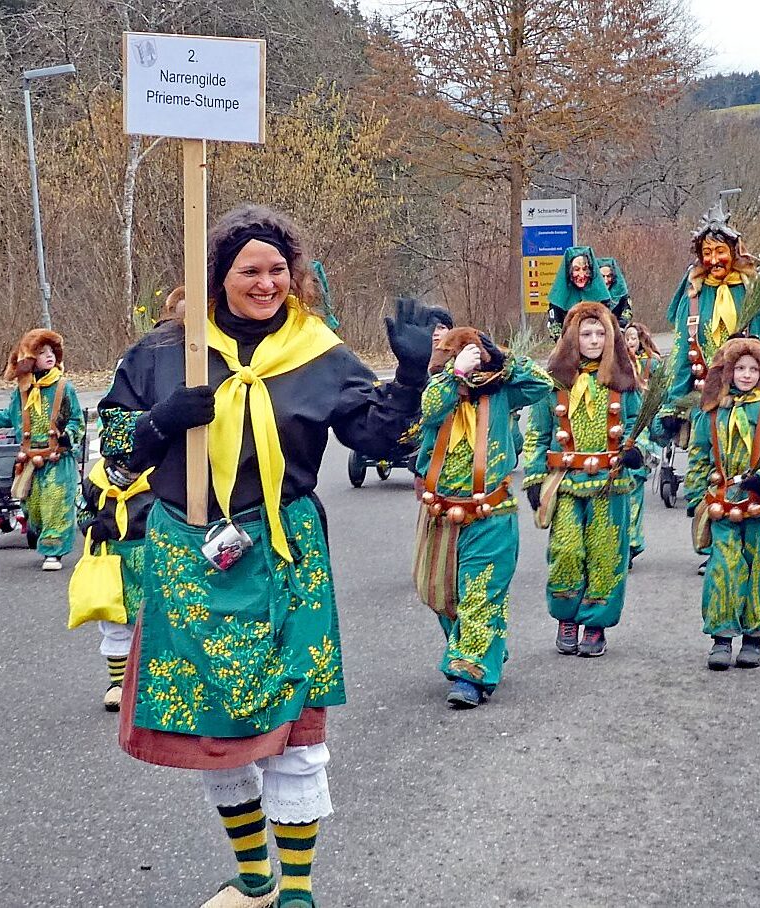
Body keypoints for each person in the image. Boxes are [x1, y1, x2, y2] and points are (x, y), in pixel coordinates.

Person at [98, 204, 435, 908]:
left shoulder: (318, 352)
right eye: (249, 270)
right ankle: (255, 878)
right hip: (187, 555)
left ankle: (298, 891)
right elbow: (115, 451)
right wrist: (159, 422)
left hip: (285, 553)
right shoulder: (166, 352)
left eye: (278, 269)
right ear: (219, 277)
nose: (266, 283)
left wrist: (409, 379)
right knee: (213, 728)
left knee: (297, 730)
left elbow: (377, 441)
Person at [413, 327, 552, 707]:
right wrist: (455, 374)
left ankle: (471, 674)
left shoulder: (502, 394)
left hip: (491, 515)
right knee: (443, 596)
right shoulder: (441, 392)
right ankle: (483, 646)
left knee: (480, 593)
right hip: (441, 516)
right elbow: (429, 409)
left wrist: (505, 361)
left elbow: (541, 384)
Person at [523, 303, 642, 658]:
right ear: (571, 338)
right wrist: (534, 475)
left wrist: (637, 451)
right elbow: (537, 433)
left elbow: (639, 426)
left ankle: (595, 624)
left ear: (611, 337)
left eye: (600, 333)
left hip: (610, 483)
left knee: (605, 554)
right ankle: (567, 617)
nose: (593, 340)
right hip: (566, 483)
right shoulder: (554, 383)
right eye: (586, 334)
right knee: (566, 551)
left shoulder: (623, 380)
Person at [685, 338, 760, 670]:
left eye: (753, 369)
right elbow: (699, 456)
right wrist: (696, 497)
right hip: (722, 508)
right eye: (740, 368)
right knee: (722, 571)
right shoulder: (712, 414)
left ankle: (754, 639)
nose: (747, 375)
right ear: (727, 372)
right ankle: (721, 638)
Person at [657, 203, 760, 442]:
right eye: (707, 253)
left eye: (720, 251)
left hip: (754, 402)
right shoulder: (693, 296)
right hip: (706, 406)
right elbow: (681, 353)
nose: (714, 260)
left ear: (734, 251)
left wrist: (754, 346)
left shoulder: (757, 290)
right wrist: (674, 404)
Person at [0, 330, 84, 570]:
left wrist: (68, 436)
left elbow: (76, 419)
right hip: (28, 459)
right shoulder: (22, 391)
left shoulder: (64, 387)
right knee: (33, 508)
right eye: (41, 352)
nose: (49, 356)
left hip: (57, 457)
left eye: (51, 352)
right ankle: (43, 536)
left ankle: (53, 553)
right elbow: (8, 416)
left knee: (55, 503)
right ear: (29, 359)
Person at [76, 457, 155, 711]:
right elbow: (82, 506)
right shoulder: (96, 480)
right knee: (114, 619)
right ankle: (118, 683)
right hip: (113, 558)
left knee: (155, 619)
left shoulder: (159, 475)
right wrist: (90, 525)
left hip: (152, 556)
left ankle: (153, 679)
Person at [624, 323, 662, 567]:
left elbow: (662, 394)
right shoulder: (615, 366)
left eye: (633, 337)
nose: (630, 342)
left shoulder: (652, 364)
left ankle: (631, 541)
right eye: (626, 338)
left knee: (634, 487)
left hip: (642, 430)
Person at [546, 245, 612, 341]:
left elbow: (609, 327)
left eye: (585, 269)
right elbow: (554, 327)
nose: (581, 275)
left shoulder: (602, 296)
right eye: (576, 269)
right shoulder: (558, 298)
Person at [597, 257, 633, 328]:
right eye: (602, 276)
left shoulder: (622, 294)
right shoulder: (589, 294)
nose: (605, 280)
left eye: (609, 276)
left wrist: (617, 324)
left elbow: (627, 312)